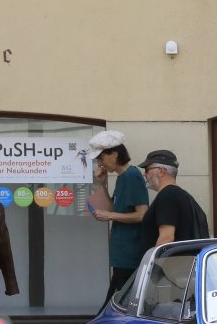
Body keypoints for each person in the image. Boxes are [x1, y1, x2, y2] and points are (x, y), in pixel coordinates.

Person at [87, 129, 149, 302]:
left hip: (131, 254)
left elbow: (142, 214)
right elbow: (114, 209)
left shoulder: (131, 176)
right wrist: (102, 185)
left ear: (114, 154)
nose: (100, 163)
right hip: (123, 255)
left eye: (101, 158)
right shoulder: (122, 177)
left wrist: (109, 215)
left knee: (117, 304)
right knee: (118, 303)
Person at [137, 149, 210, 253]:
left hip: (169, 262)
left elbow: (166, 238)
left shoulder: (167, 195)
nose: (145, 174)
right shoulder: (182, 195)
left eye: (147, 169)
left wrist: (153, 261)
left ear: (161, 171)